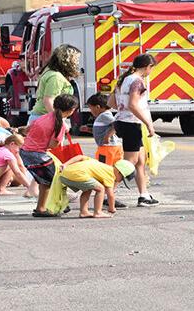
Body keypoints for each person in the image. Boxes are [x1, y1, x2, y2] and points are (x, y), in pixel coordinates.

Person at [111, 54, 160, 208]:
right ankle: (108, 192)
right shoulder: (137, 81)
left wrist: (122, 109)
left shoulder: (124, 79)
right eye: (151, 68)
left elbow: (111, 102)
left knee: (140, 161)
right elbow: (133, 104)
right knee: (129, 162)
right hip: (131, 124)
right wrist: (148, 124)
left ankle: (143, 195)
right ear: (148, 67)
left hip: (123, 121)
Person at [22, 94, 79, 218]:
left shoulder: (43, 117)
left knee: (46, 181)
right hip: (38, 155)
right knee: (54, 180)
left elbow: (27, 130)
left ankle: (43, 207)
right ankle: (51, 206)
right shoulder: (61, 125)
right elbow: (53, 145)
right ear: (72, 110)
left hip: (26, 152)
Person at [58, 157, 136, 219]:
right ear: (119, 172)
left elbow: (80, 157)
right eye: (122, 179)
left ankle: (84, 212)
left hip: (65, 174)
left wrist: (65, 164)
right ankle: (98, 212)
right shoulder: (111, 175)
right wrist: (111, 208)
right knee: (100, 189)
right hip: (78, 174)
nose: (120, 181)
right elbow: (110, 194)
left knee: (88, 188)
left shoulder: (99, 164)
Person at [28, 45, 80, 126]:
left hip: (43, 118)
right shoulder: (56, 77)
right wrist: (59, 121)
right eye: (75, 59)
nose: (77, 62)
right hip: (45, 120)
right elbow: (48, 101)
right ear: (67, 60)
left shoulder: (50, 72)